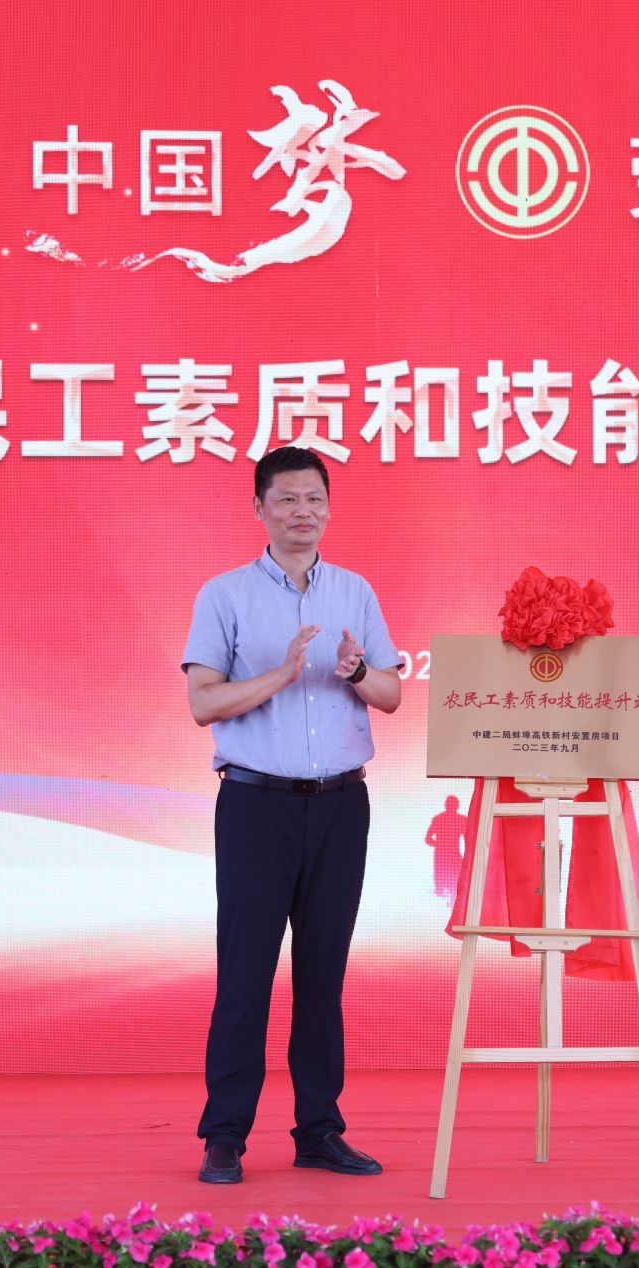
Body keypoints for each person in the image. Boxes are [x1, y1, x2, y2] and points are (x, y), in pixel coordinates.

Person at [180, 446, 403, 1184]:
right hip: (256, 805)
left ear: (329, 508)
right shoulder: (225, 595)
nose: (302, 511)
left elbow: (392, 695)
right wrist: (280, 673)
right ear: (260, 509)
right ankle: (225, 1135)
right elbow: (204, 703)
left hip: (340, 805)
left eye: (314, 499)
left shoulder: (356, 592)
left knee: (322, 975)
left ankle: (319, 1130)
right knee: (245, 973)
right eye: (286, 499)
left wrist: (357, 671)